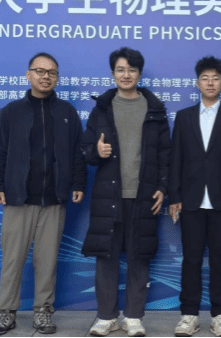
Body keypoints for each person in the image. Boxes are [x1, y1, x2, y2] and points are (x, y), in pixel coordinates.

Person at [0, 53, 87, 336]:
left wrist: (78, 183)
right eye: (40, 71)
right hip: (18, 198)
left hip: (54, 199)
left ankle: (43, 311)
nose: (46, 77)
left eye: (52, 72)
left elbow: (77, 152)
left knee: (47, 260)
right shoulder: (11, 112)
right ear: (28, 75)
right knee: (12, 260)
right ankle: (6, 312)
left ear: (57, 78)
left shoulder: (66, 112)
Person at [82, 47, 171, 338]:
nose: (126, 74)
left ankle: (133, 317)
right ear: (113, 73)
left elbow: (165, 154)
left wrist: (163, 187)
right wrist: (96, 151)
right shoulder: (102, 108)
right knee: (106, 258)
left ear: (139, 74)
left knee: (139, 257)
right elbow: (85, 149)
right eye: (120, 69)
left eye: (132, 70)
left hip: (143, 195)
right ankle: (106, 316)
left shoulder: (155, 109)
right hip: (109, 195)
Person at [169, 56, 221, 337]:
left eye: (215, 78)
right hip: (191, 198)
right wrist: (174, 196)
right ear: (197, 83)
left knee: (220, 259)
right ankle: (189, 315)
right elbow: (175, 159)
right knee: (191, 259)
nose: (210, 83)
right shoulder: (184, 117)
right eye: (205, 78)